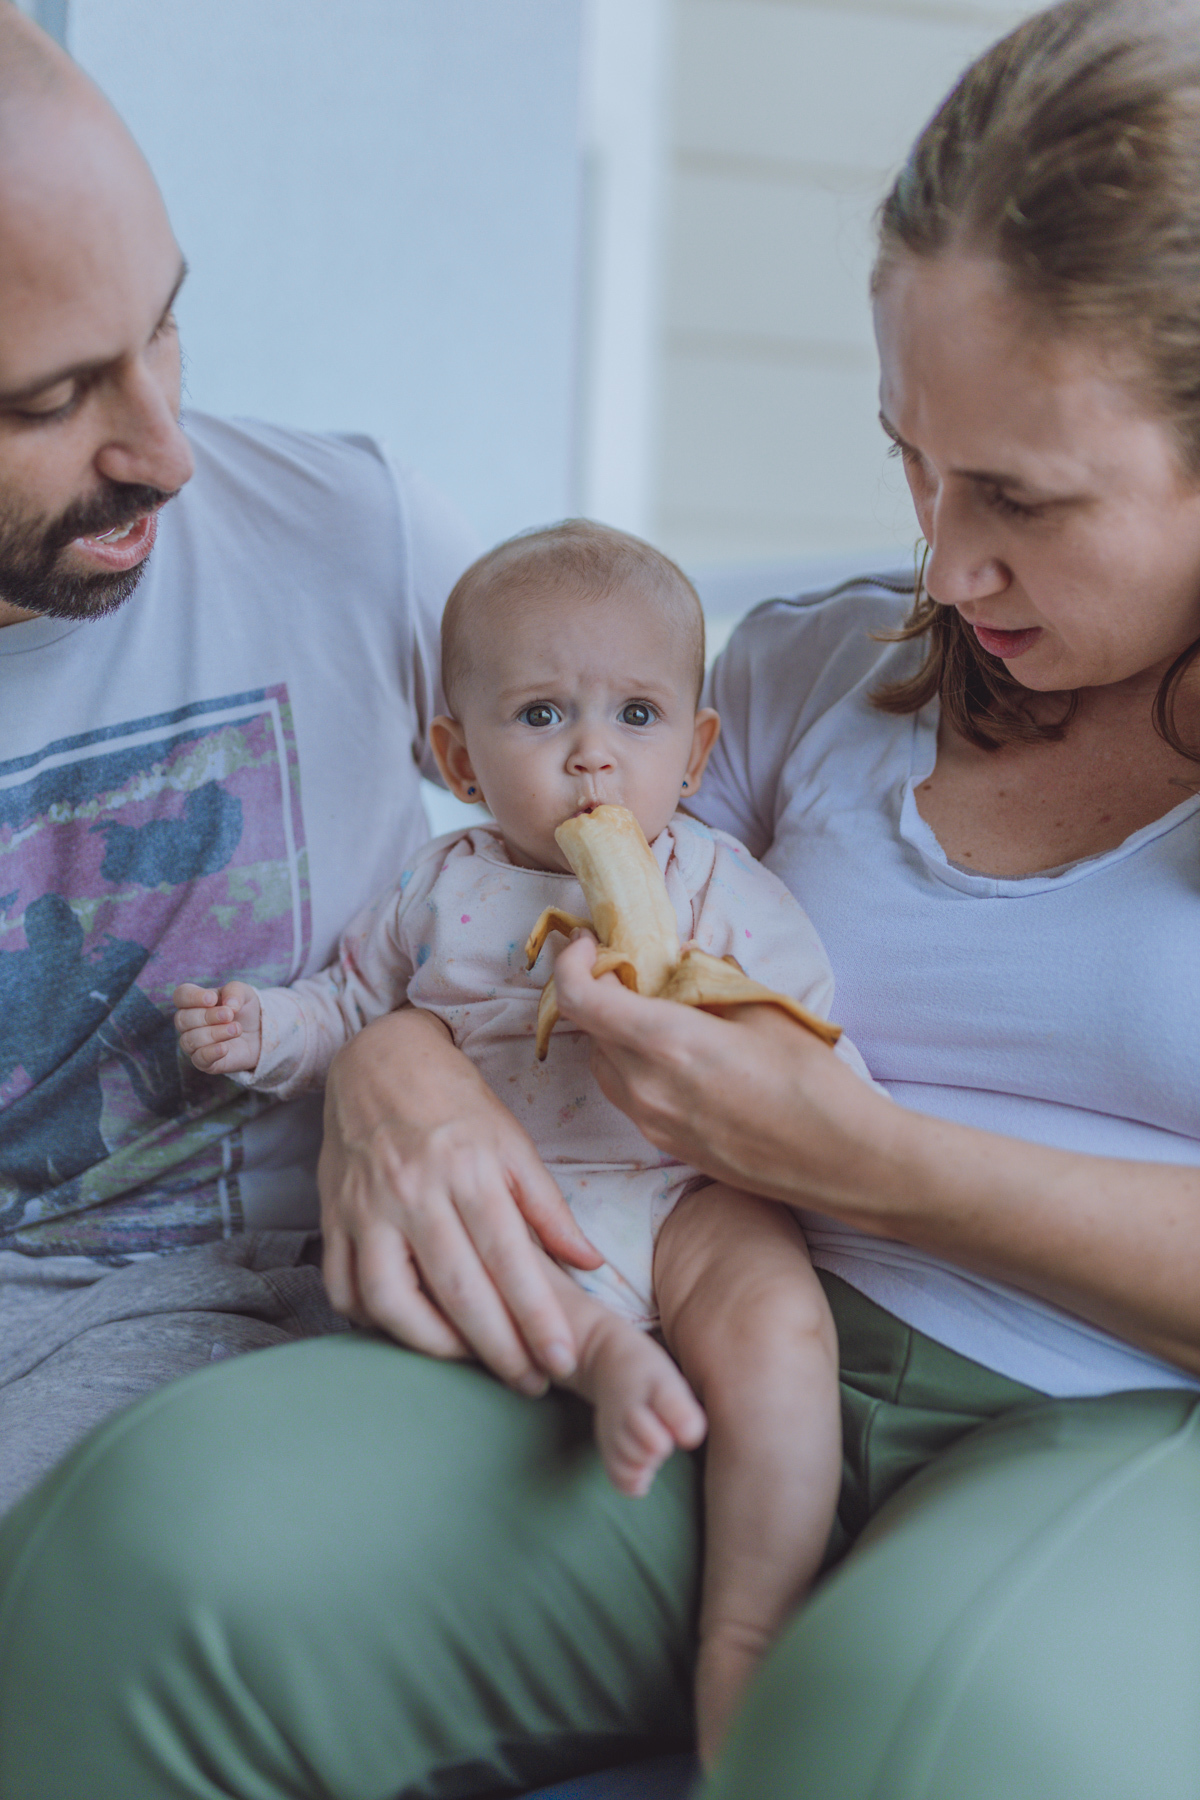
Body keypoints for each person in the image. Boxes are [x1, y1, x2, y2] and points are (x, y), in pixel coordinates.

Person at [6, 0, 1200, 1796]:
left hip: (1108, 1396)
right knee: (155, 1552)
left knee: (910, 1732)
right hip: (677, 1317)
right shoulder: (812, 677)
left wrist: (872, 1163)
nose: (943, 565)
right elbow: (503, 900)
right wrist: (392, 1067)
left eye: (1021, 498)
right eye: (911, 460)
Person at [173, 519, 865, 1761]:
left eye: (638, 717)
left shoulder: (717, 884)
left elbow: (805, 1040)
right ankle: (604, 1364)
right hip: (520, 1190)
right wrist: (262, 1028)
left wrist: (774, 1071)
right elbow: (353, 1009)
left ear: (698, 751)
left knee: (782, 1327)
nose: (595, 758)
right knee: (439, 1274)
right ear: (458, 754)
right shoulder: (439, 889)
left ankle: (754, 1625)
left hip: (686, 1189)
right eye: (542, 717)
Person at [0, 3, 483, 1517]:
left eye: (163, 326)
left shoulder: (349, 534)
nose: (168, 449)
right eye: (52, 399)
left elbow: (679, 833)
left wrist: (408, 1045)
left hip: (372, 1347)